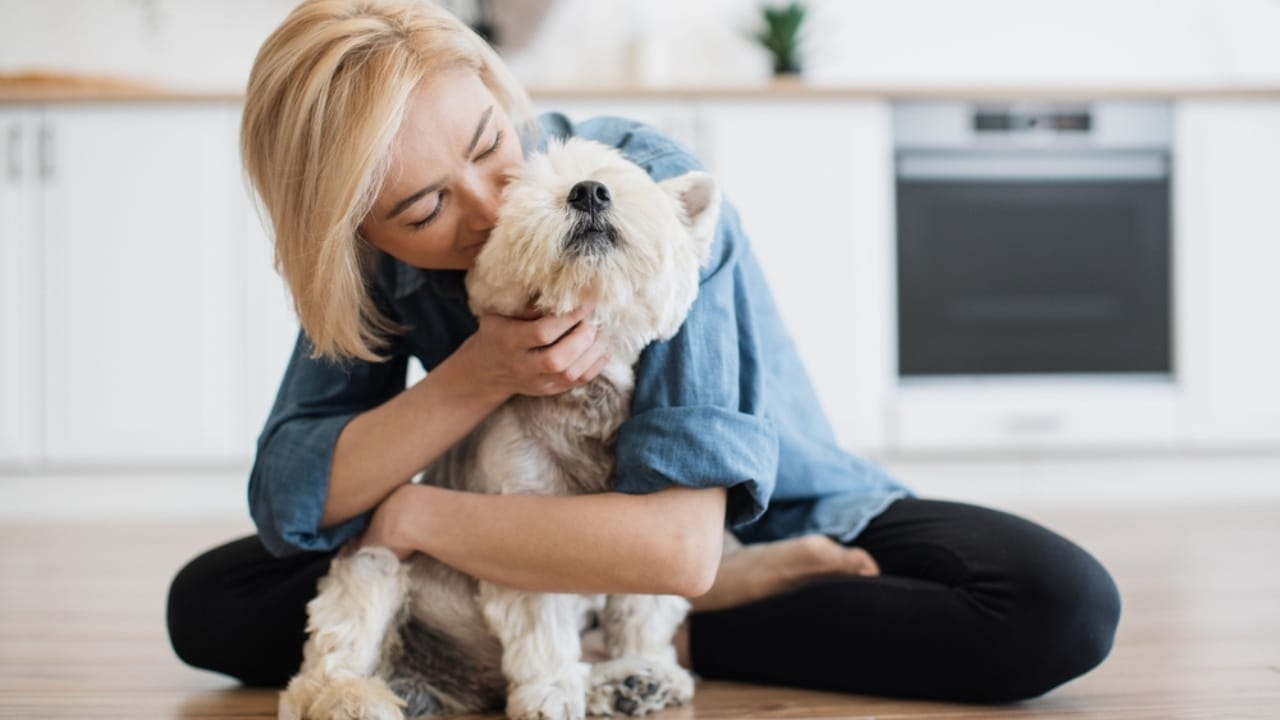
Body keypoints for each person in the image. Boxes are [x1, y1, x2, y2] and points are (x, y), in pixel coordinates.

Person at [167, 0, 1121, 705]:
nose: (493, 205)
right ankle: (637, 635)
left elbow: (674, 541)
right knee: (211, 600)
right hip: (514, 534)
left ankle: (657, 624)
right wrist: (483, 372)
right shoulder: (373, 268)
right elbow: (291, 496)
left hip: (748, 518)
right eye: (424, 209)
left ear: (501, 91)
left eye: (490, 142)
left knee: (1056, 604)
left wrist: (411, 513)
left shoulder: (645, 193)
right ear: (363, 233)